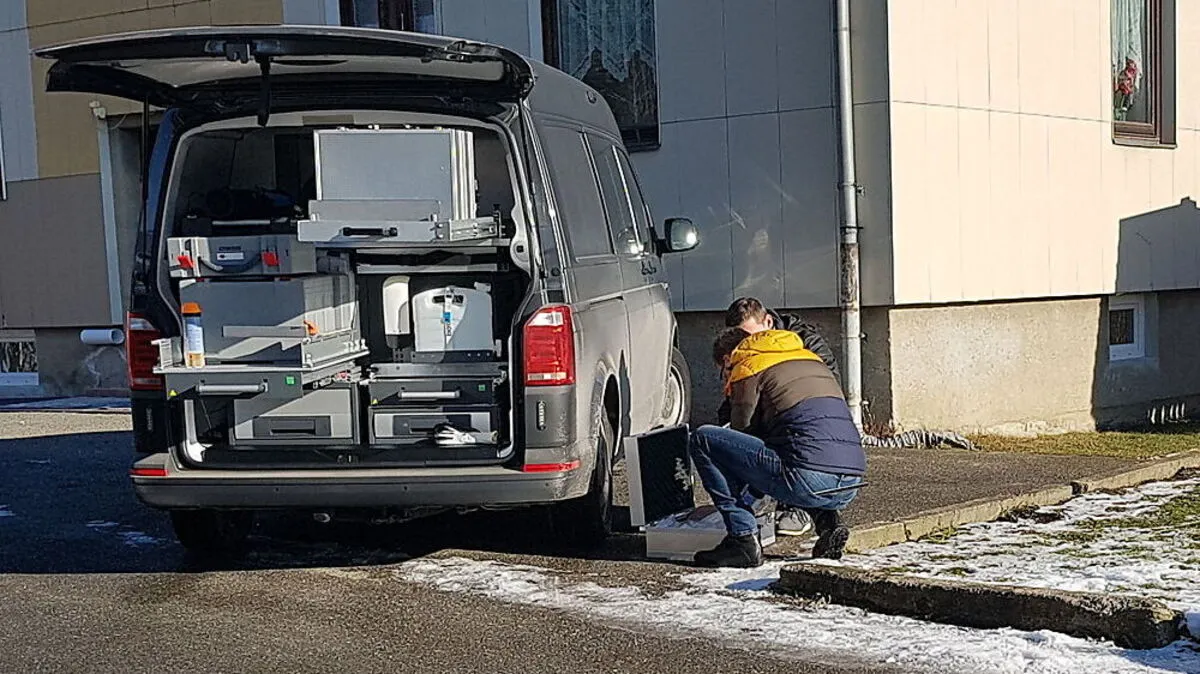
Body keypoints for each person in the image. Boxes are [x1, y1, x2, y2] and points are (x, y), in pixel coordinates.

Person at [690, 327, 866, 568]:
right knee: (797, 448)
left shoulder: (748, 366)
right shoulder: (809, 359)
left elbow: (742, 436)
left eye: (723, 373)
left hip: (807, 479)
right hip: (852, 480)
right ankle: (829, 524)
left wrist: (744, 499)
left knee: (703, 439)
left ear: (727, 360)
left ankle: (742, 540)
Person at [719, 297, 843, 537]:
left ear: (768, 321)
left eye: (753, 335)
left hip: (810, 422)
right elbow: (736, 402)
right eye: (743, 339)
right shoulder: (743, 353)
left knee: (774, 444)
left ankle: (789, 508)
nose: (750, 343)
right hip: (810, 433)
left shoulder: (807, 342)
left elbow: (825, 387)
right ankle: (825, 520)